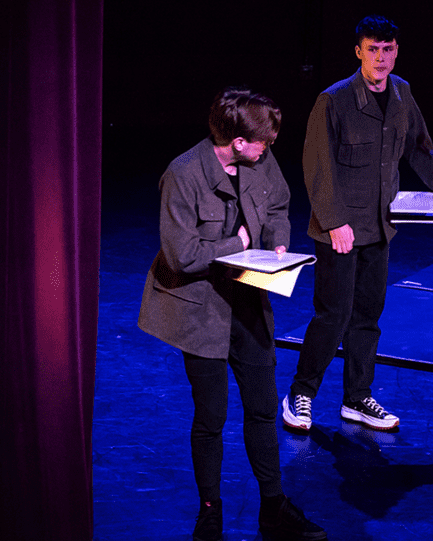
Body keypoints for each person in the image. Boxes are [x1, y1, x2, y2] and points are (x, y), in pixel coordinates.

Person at [138, 87, 326, 540]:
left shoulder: (259, 161)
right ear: (238, 141)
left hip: (248, 302)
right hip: (201, 308)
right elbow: (182, 255)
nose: (268, 148)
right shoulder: (183, 174)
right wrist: (238, 244)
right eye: (262, 141)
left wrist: (277, 240)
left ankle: (273, 508)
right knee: (211, 417)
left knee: (262, 409)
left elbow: (278, 203)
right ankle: (210, 510)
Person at [283, 15, 433, 433]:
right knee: (333, 315)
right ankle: (301, 393)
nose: (380, 58)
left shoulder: (402, 93)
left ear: (396, 51)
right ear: (358, 52)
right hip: (341, 230)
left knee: (368, 315)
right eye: (372, 50)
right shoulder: (334, 100)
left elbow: (420, 148)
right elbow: (317, 165)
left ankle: (357, 397)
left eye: (387, 50)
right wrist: (334, 222)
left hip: (380, 227)